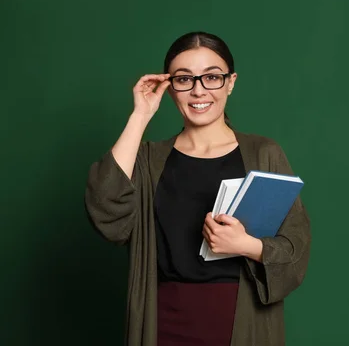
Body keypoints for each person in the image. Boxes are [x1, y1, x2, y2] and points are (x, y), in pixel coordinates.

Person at [84, 31, 311, 346]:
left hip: (242, 322)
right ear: (170, 87)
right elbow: (106, 210)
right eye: (184, 79)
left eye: (212, 77)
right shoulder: (150, 160)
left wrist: (246, 245)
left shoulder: (263, 154)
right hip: (163, 321)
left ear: (230, 82)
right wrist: (140, 115)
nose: (198, 90)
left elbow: (295, 248)